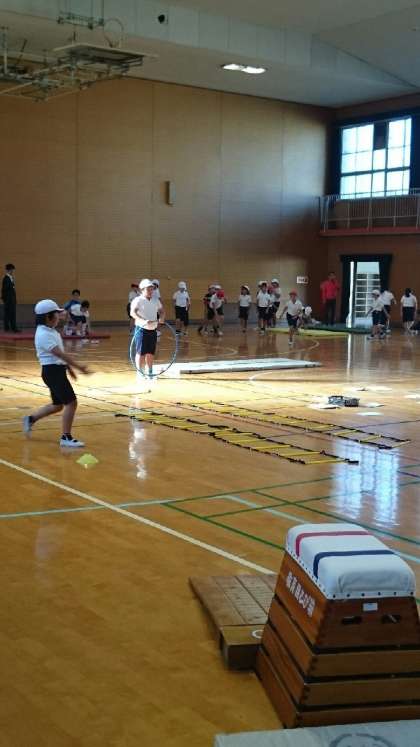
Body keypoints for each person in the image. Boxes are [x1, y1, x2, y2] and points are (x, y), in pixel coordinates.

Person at [22, 299, 90, 447]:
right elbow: (60, 354)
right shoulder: (43, 334)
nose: (59, 316)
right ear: (48, 316)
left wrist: (69, 369)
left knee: (58, 405)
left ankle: (30, 419)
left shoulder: (51, 331)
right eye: (56, 314)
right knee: (71, 403)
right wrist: (79, 367)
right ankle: (66, 437)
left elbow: (60, 355)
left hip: (55, 371)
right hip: (52, 372)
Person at [130, 278, 164, 378]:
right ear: (142, 289)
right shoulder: (138, 300)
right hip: (141, 330)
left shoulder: (155, 300)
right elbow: (133, 313)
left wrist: (161, 318)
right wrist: (143, 321)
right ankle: (140, 371)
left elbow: (162, 311)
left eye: (152, 289)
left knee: (150, 352)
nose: (150, 291)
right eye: (148, 289)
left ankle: (150, 370)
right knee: (141, 352)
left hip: (152, 330)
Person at [1, 263, 19, 332]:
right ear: (9, 270)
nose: (13, 271)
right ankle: (13, 328)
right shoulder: (6, 278)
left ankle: (7, 328)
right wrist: (6, 299)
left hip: (10, 299)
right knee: (11, 314)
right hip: (9, 300)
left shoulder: (10, 278)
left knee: (8, 314)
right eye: (12, 270)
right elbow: (5, 290)